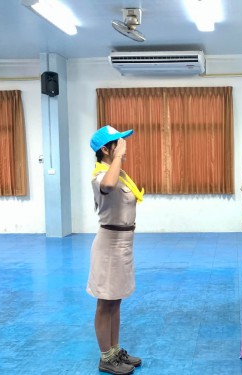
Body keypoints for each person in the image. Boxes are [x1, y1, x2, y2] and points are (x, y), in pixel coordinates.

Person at [87, 125, 144, 375]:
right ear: (105, 149)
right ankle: (105, 357)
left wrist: (118, 158)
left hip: (123, 244)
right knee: (105, 301)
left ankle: (115, 349)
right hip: (109, 245)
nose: (122, 145)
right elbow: (108, 186)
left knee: (116, 299)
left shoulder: (117, 173)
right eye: (117, 142)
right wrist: (119, 157)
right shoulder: (101, 175)